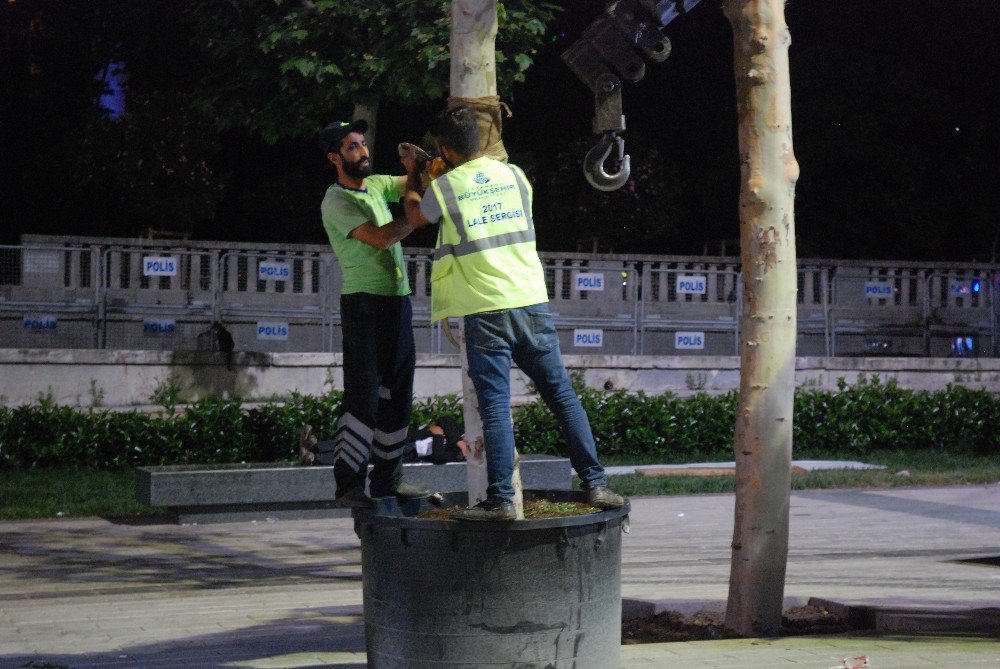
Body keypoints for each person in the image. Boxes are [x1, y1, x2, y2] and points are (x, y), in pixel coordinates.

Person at [401, 106, 625, 521]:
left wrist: (416, 173)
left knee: (496, 407)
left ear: (445, 150)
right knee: (561, 396)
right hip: (531, 301)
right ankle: (595, 483)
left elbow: (415, 216)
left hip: (486, 310)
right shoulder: (516, 177)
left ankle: (502, 499)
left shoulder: (446, 187)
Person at [307, 118, 436, 508]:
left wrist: (420, 165)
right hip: (363, 303)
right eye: (352, 147)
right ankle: (348, 484)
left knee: (399, 393)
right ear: (334, 157)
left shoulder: (377, 184)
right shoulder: (336, 200)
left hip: (397, 300)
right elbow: (381, 238)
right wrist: (413, 218)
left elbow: (417, 185)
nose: (363, 152)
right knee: (364, 396)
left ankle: (388, 480)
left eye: (362, 144)